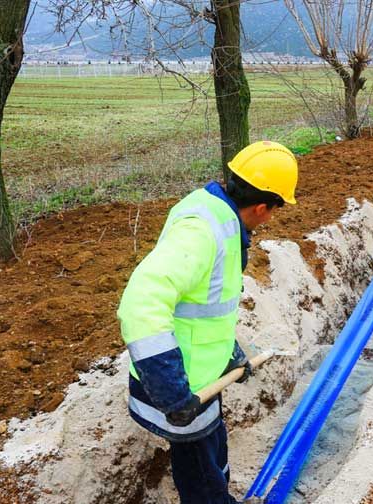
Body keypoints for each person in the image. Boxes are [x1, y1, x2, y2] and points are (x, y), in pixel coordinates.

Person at [117, 141, 298, 504]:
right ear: (262, 208)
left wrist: (228, 354)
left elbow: (203, 305)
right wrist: (169, 386)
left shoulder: (215, 212)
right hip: (183, 385)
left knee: (212, 452)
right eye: (275, 211)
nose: (271, 218)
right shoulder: (204, 231)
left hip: (203, 377)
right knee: (200, 476)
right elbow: (141, 301)